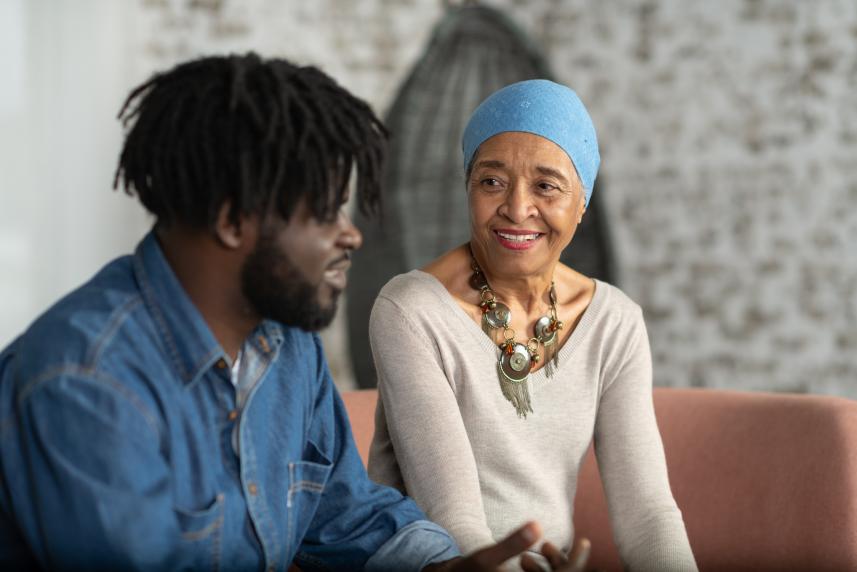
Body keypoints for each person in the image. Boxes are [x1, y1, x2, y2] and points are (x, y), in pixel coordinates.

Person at [0, 55, 590, 571]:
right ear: (233, 220)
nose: (351, 235)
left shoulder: (285, 344)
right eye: (326, 213)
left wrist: (446, 568)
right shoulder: (84, 381)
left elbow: (345, 513)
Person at [368, 80, 699, 571]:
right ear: (468, 187)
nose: (517, 208)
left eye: (546, 185)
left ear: (582, 202)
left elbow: (647, 515)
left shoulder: (615, 322)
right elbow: (452, 518)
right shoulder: (410, 309)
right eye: (492, 182)